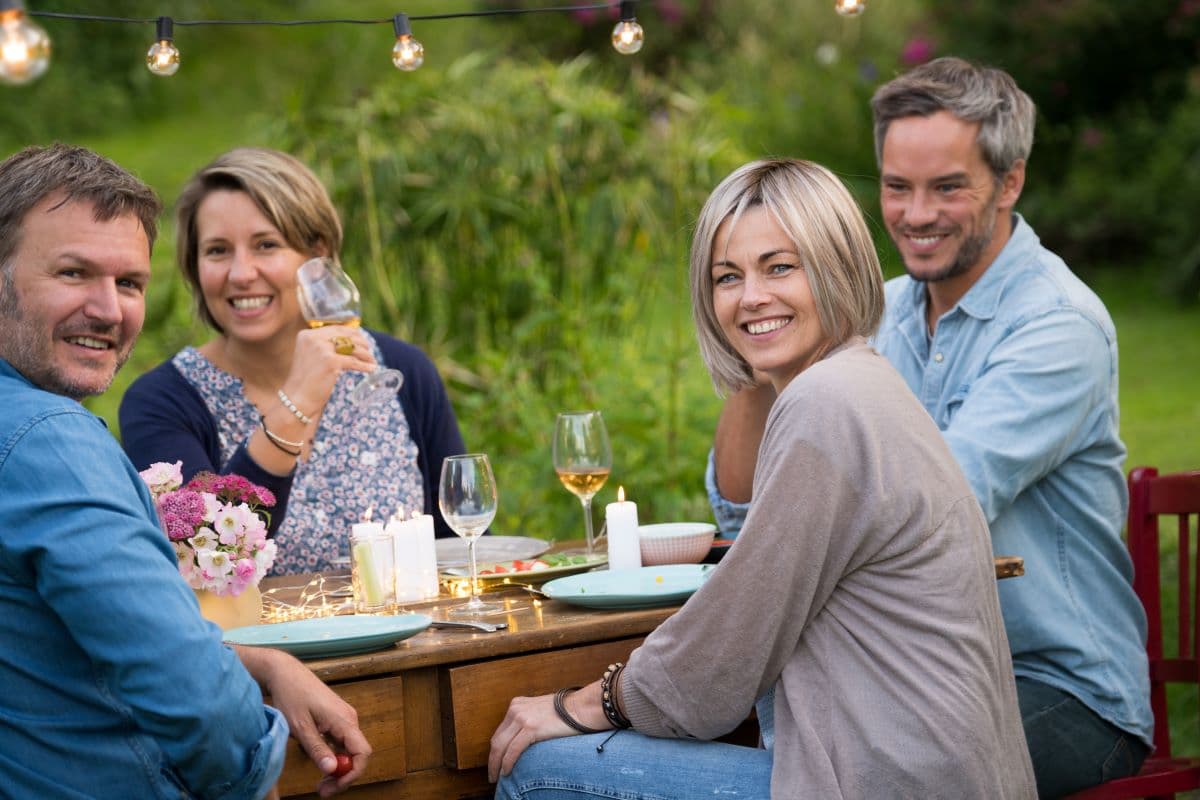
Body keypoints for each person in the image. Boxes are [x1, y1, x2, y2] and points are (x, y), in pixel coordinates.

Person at [488, 158, 1036, 799]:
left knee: (534, 771)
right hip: (947, 777)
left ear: (836, 267)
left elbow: (719, 661)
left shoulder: (825, 402)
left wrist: (578, 704)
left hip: (884, 783)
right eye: (727, 276)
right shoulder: (863, 380)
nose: (751, 297)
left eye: (779, 267)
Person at [708, 58, 1152, 797]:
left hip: (1062, 689)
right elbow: (746, 510)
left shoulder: (1057, 327)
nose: (915, 214)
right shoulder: (873, 317)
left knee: (828, 768)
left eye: (947, 187)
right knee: (744, 736)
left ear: (1009, 183)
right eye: (895, 186)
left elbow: (931, 509)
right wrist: (759, 365)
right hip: (908, 672)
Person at [0, 143, 370, 798]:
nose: (109, 309)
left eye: (129, 283)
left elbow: (80, 644)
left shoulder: (398, 372)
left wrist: (254, 664)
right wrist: (255, 768)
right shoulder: (52, 443)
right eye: (73, 273)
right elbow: (197, 703)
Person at [119, 147, 466, 575]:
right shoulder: (162, 402)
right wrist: (297, 400)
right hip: (255, 643)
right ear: (194, 267)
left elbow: (465, 545)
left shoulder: (403, 371)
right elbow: (206, 564)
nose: (241, 273)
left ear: (316, 256)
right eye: (217, 251)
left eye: (266, 245)